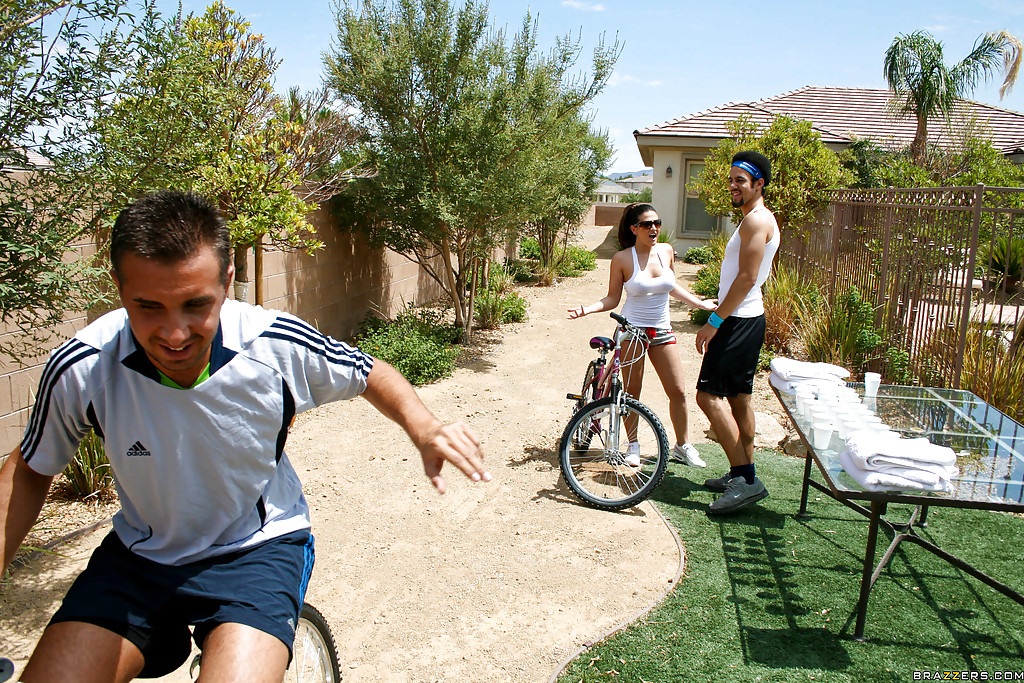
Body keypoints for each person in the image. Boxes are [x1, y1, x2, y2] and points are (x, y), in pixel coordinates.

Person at [0, 190, 491, 682]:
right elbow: (30, 468)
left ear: (227, 282)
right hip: (139, 558)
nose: (174, 334)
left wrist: (424, 426)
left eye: (196, 305)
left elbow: (368, 373)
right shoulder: (84, 365)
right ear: (118, 288)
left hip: (256, 547)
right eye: (148, 307)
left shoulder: (273, 344)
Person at [568, 202, 717, 468]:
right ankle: (633, 445)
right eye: (648, 224)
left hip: (661, 330)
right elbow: (613, 298)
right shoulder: (622, 259)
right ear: (634, 228)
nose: (654, 228)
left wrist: (700, 304)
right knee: (632, 393)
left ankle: (683, 446)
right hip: (632, 330)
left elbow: (671, 286)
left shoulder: (666, 251)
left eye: (657, 223)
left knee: (679, 391)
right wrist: (587, 309)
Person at [695, 151, 780, 514]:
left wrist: (715, 321)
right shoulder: (756, 219)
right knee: (740, 399)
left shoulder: (756, 221)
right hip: (746, 315)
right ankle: (741, 473)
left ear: (758, 184)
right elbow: (745, 278)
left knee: (708, 398)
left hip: (738, 321)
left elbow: (747, 278)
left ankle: (745, 480)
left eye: (740, 181)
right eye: (731, 180)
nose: (732, 186)